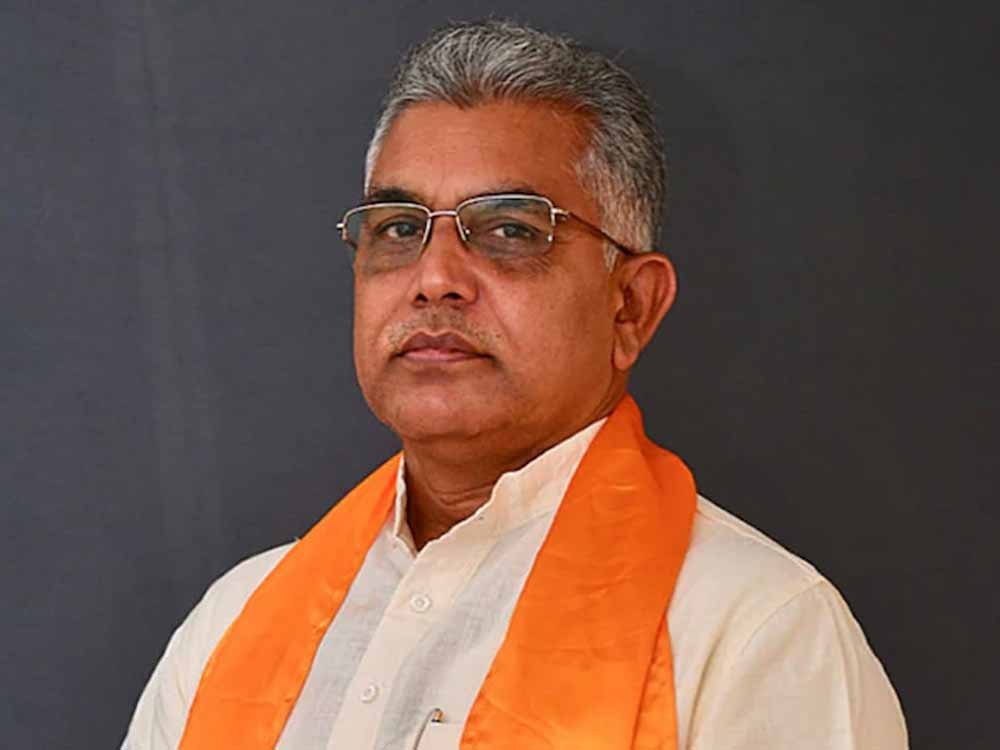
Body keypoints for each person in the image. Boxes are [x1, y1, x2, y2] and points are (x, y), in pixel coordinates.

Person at [123, 20, 908, 750]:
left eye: (510, 230)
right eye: (399, 228)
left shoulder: (752, 631)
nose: (434, 277)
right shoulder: (234, 621)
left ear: (630, 307)